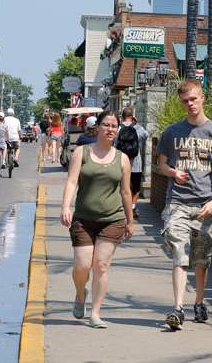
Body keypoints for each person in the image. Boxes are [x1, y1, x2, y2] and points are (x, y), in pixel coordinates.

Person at [157, 79, 212, 330]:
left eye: (193, 99)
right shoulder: (171, 132)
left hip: (205, 205)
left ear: (203, 98)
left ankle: (199, 301)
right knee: (180, 253)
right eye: (185, 101)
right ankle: (178, 309)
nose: (189, 104)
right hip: (177, 202)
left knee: (202, 258)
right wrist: (172, 173)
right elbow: (162, 165)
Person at [60, 110, 133, 329]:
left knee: (101, 265)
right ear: (98, 127)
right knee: (82, 266)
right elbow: (72, 182)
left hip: (112, 219)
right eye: (106, 125)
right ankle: (81, 293)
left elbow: (126, 192)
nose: (110, 129)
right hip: (83, 218)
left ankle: (95, 313)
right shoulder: (81, 152)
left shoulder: (123, 159)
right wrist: (66, 207)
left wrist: (130, 221)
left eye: (114, 126)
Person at [117, 107, 149, 220]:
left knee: (123, 187)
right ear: (132, 116)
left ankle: (124, 207)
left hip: (120, 163)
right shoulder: (139, 128)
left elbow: (114, 144)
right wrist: (137, 122)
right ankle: (133, 207)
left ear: (122, 116)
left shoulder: (117, 129)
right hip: (136, 164)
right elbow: (146, 136)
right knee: (135, 188)